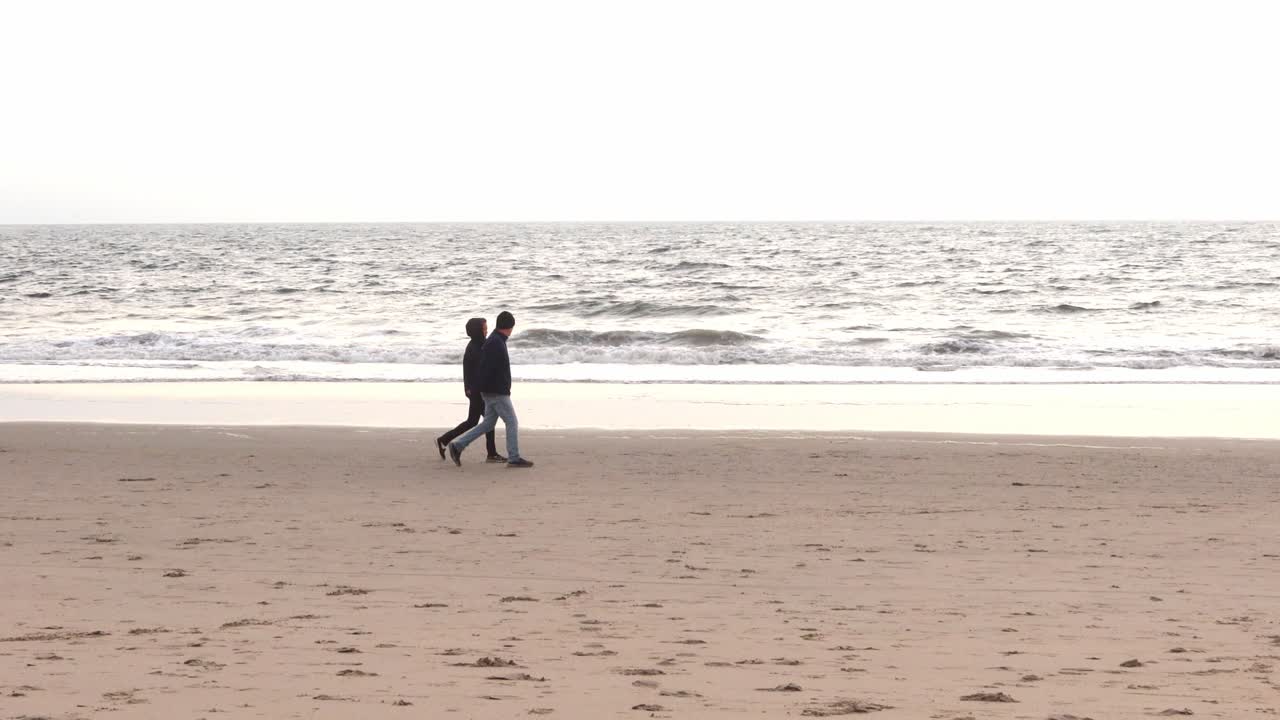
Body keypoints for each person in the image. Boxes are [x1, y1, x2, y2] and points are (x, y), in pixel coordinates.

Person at [448, 310, 533, 468]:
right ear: (509, 327)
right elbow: (487, 368)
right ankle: (514, 458)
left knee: (487, 424)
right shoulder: (496, 343)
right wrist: (492, 389)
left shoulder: (495, 340)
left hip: (490, 390)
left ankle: (457, 445)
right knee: (512, 422)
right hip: (496, 391)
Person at [435, 317, 504, 463]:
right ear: (477, 331)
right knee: (487, 421)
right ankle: (491, 454)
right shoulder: (474, 347)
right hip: (477, 391)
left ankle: (444, 440)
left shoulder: (479, 344)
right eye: (484, 328)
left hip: (476, 390)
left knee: (475, 421)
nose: (486, 330)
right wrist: (470, 389)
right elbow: (474, 371)